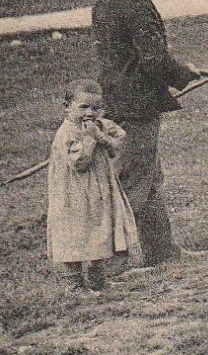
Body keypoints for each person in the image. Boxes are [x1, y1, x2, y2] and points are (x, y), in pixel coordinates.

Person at [91, 0, 204, 268]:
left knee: (149, 177)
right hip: (135, 104)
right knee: (136, 183)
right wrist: (184, 72)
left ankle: (162, 253)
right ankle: (108, 264)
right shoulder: (135, 3)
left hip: (117, 99)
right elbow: (153, 60)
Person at [47, 79, 139, 292]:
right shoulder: (67, 132)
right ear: (67, 107)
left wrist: (103, 135)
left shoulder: (97, 125)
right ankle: (75, 286)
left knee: (99, 230)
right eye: (83, 107)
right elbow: (79, 163)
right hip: (73, 194)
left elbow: (118, 143)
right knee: (75, 233)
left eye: (96, 108)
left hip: (96, 190)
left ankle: (98, 281)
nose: (90, 112)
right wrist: (90, 139)